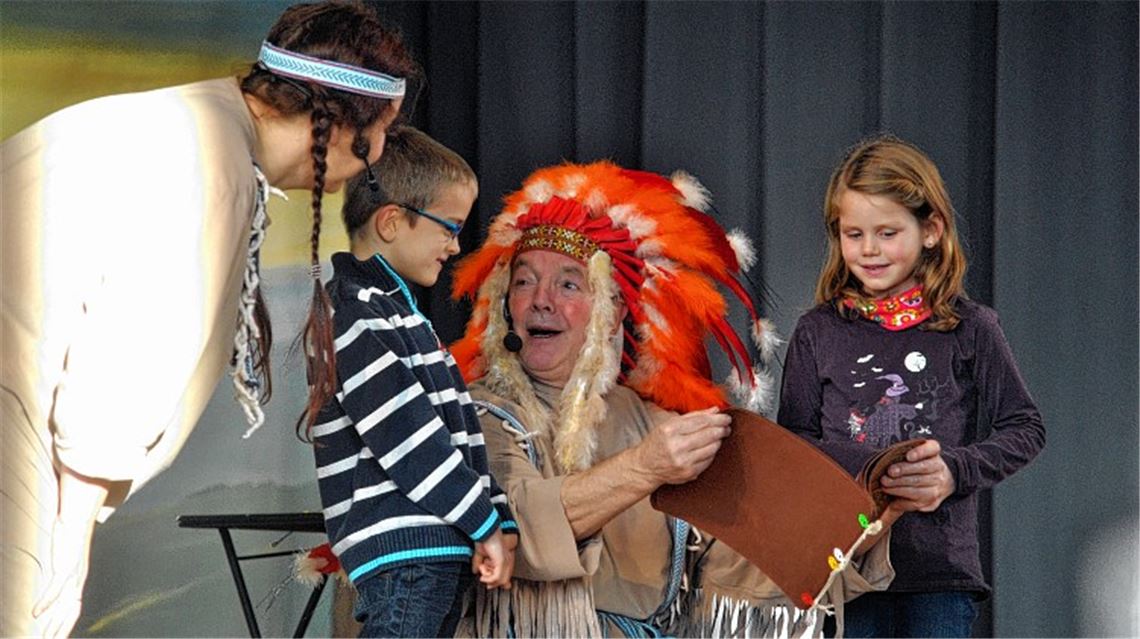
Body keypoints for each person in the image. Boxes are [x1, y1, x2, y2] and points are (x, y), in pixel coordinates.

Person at [0, 2, 418, 636]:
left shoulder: (189, 116)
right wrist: (64, 547)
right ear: (338, 122)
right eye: (384, 130)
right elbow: (115, 370)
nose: (378, 156)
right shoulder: (210, 167)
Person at [448, 161, 895, 638]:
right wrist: (646, 467)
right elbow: (514, 523)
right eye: (524, 281)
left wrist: (874, 517)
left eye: (568, 284)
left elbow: (750, 570)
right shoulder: (476, 413)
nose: (540, 300)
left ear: (613, 309)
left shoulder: (657, 424)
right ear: (504, 301)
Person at [777, 134, 1046, 638]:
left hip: (938, 576)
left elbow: (1025, 427)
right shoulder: (817, 331)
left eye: (886, 232)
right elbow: (791, 446)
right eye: (852, 234)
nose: (869, 250)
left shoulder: (972, 328)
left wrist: (952, 471)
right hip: (845, 571)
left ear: (930, 230)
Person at [308, 126, 517, 637]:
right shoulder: (356, 318)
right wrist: (485, 521)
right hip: (407, 558)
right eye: (448, 227)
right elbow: (409, 443)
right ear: (392, 221)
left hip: (433, 551)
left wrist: (498, 517)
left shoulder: (400, 316)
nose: (455, 246)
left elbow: (456, 437)